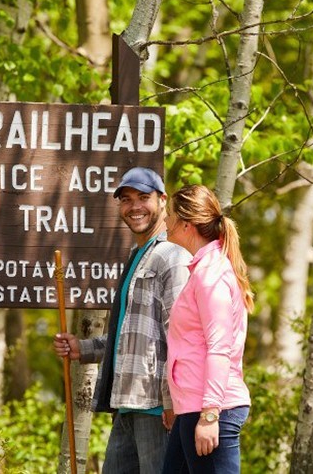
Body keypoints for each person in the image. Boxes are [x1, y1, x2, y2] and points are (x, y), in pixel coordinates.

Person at [53, 166, 192, 474]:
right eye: (126, 199)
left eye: (144, 197)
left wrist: (172, 402)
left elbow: (180, 338)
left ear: (162, 201)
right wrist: (83, 349)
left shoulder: (174, 257)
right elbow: (129, 337)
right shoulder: (137, 255)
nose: (135, 207)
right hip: (127, 402)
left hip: (156, 406)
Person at [161, 184, 254, 474]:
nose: (164, 221)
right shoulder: (202, 270)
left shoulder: (211, 274)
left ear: (185, 224)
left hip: (213, 408)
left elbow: (218, 346)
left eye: (169, 215)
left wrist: (211, 415)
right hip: (192, 406)